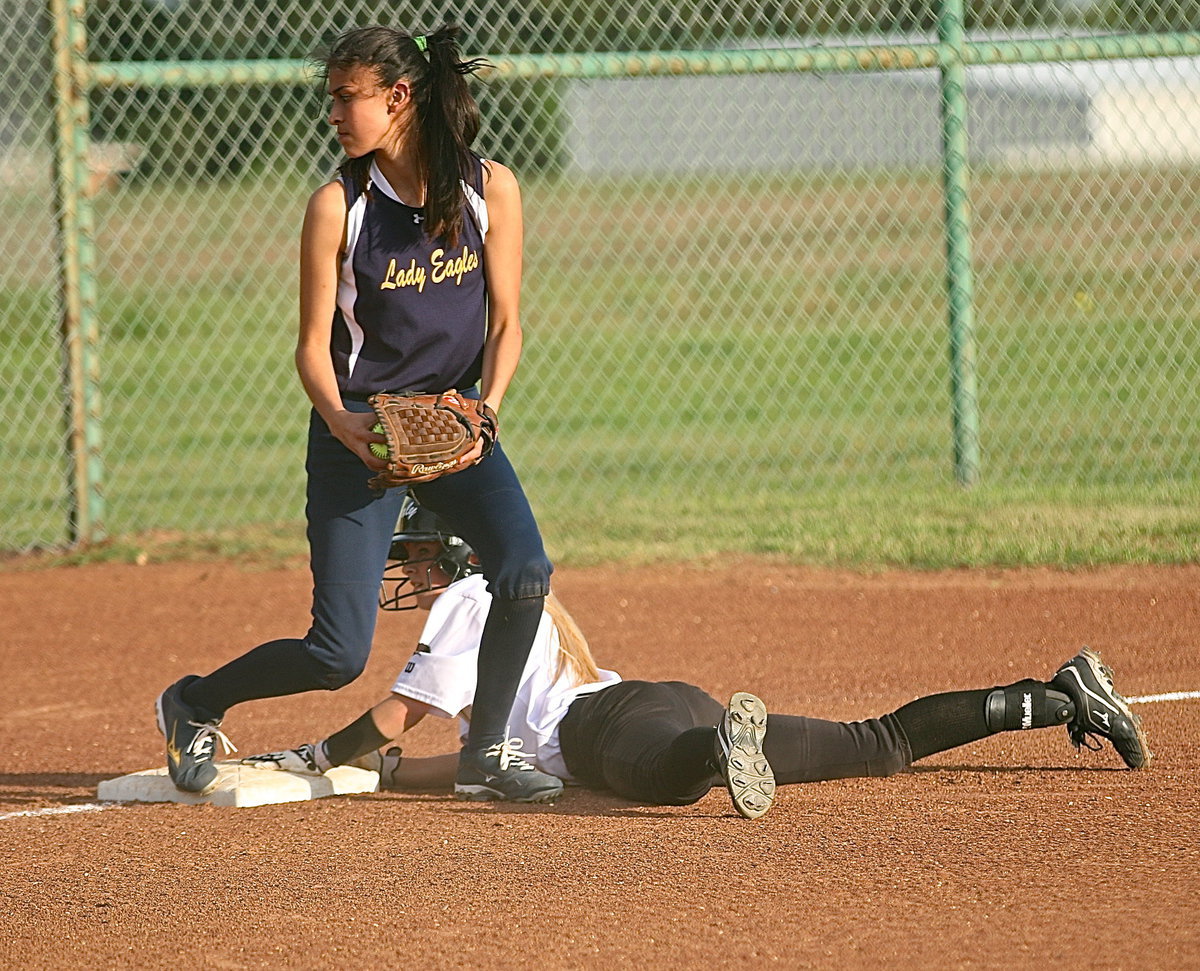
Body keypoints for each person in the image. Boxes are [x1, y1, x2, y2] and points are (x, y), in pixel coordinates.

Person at [156, 23, 562, 803]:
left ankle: (488, 751)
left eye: (349, 97)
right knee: (337, 652)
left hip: (454, 425)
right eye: (333, 97)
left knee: (524, 571)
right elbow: (312, 348)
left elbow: (507, 321)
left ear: (398, 98)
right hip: (359, 435)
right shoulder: (337, 206)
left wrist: (488, 408)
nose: (335, 114)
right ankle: (195, 701)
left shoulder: (490, 188)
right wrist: (344, 422)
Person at [242, 499, 1152, 819]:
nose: (409, 568)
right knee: (877, 743)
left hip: (609, 733)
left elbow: (397, 715)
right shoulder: (512, 598)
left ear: (452, 558)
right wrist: (396, 776)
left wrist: (323, 757)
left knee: (667, 784)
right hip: (656, 697)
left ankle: (723, 752)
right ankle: (1058, 693)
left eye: (418, 553)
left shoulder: (467, 600)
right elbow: (470, 757)